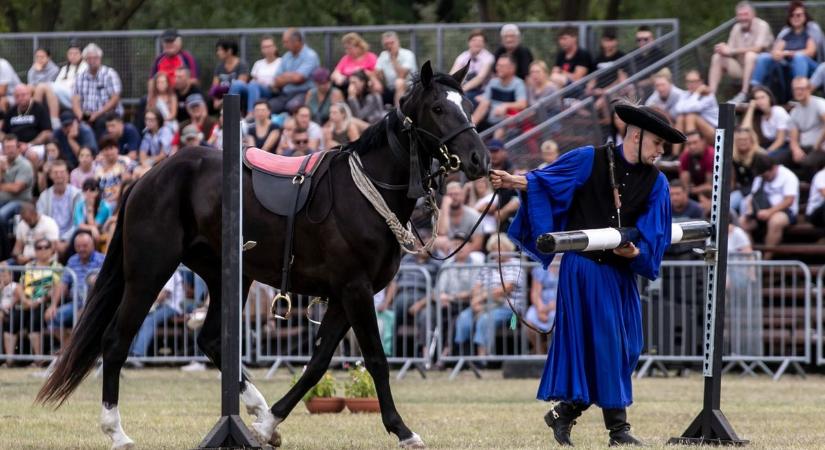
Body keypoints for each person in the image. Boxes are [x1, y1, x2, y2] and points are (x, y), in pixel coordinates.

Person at [491, 101, 684, 446]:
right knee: (608, 345)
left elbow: (654, 232)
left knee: (629, 347)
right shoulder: (588, 158)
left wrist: (636, 252)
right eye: (657, 143)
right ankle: (618, 431)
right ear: (636, 136)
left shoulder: (657, 183)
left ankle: (565, 412)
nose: (660, 152)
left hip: (621, 272)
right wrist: (514, 181)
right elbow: (547, 182)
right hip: (583, 269)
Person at [454, 233, 523, 357]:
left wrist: (481, 297)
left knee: (485, 319)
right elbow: (476, 286)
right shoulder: (488, 265)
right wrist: (475, 301)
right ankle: (461, 355)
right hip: (485, 304)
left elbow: (506, 288)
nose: (497, 252)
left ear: (508, 248)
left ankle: (482, 358)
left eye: (500, 248)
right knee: (463, 317)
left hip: (511, 311)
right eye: (494, 248)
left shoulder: (516, 264)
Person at [750, 1, 821, 101]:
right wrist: (777, 54)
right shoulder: (786, 33)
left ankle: (798, 92)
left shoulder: (810, 30)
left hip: (810, 67)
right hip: (788, 66)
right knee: (763, 57)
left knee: (799, 58)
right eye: (792, 15)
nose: (795, 17)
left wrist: (790, 53)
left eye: (798, 15)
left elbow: (810, 52)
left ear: (805, 16)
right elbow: (776, 51)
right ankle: (754, 90)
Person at [45, 231, 104, 347]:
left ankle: (76, 350)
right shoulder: (72, 260)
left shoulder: (102, 260)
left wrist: (86, 307)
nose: (81, 249)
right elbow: (63, 283)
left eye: (85, 246)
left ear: (93, 245)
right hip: (75, 303)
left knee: (81, 318)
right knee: (52, 318)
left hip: (96, 305)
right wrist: (53, 305)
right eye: (78, 246)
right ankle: (70, 349)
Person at [708, 1, 774, 104]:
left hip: (761, 69)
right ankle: (710, 97)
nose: (743, 18)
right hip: (742, 68)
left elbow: (757, 48)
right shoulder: (736, 28)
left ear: (753, 14)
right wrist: (722, 49)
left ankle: (744, 93)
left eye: (745, 14)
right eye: (740, 15)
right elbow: (729, 50)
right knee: (717, 57)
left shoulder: (762, 25)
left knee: (750, 55)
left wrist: (731, 50)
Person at [11, 238, 62, 365]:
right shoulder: (29, 266)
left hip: (45, 303)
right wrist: (24, 300)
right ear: (35, 250)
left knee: (35, 320)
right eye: (39, 247)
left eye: (46, 247)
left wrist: (39, 300)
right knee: (11, 321)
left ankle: (38, 359)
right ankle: (9, 359)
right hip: (26, 302)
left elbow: (56, 287)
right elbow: (20, 285)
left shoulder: (56, 267)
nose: (42, 250)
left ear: (51, 250)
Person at [740, 154, 799, 259]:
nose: (764, 178)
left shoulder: (788, 176)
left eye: (766, 176)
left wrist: (770, 212)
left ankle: (766, 259)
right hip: (761, 211)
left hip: (785, 212)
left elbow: (789, 200)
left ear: (774, 168)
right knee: (742, 222)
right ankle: (751, 259)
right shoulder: (760, 178)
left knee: (775, 221)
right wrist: (749, 211)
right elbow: (752, 196)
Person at [128, 271, 184, 363]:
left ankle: (137, 355)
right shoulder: (157, 270)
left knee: (149, 321)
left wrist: (145, 305)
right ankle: (127, 354)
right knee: (134, 318)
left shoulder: (171, 271)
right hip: (158, 306)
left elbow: (164, 295)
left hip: (172, 307)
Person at [72, 43, 123, 138]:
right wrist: (80, 116)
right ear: (85, 60)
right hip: (86, 114)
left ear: (100, 58)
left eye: (95, 58)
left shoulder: (110, 74)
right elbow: (75, 100)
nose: (92, 61)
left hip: (106, 113)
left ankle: (97, 150)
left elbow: (115, 98)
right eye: (89, 58)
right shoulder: (80, 77)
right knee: (68, 121)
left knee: (100, 122)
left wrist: (97, 114)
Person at [269, 28, 320, 114]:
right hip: (285, 94)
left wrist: (285, 76)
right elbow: (276, 80)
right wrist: (291, 76)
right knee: (268, 108)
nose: (284, 45)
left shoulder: (310, 56)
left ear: (296, 41)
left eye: (286, 42)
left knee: (292, 106)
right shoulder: (286, 56)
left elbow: (299, 78)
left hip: (304, 93)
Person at [471, 54, 528, 131]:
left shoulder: (518, 84)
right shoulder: (493, 83)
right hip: (490, 122)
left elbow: (522, 104)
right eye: (497, 65)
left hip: (509, 126)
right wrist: (471, 125)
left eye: (502, 66)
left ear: (512, 69)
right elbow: (483, 106)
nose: (498, 68)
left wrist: (505, 105)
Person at [229, 35, 281, 116]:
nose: (267, 49)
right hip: (254, 89)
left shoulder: (281, 62)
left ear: (275, 47)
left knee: (254, 84)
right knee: (237, 84)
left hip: (270, 91)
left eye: (269, 46)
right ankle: (230, 114)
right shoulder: (258, 63)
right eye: (264, 47)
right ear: (261, 49)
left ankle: (251, 114)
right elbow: (253, 79)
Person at [37, 160, 82, 250]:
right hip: (49, 238)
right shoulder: (44, 196)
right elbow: (41, 220)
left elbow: (78, 223)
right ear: (50, 175)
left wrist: (65, 240)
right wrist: (52, 240)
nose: (59, 175)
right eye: (55, 172)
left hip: (71, 238)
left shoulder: (77, 194)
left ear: (67, 174)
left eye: (62, 172)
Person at [788, 76, 825, 181]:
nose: (798, 92)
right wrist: (795, 149)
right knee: (779, 159)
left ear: (809, 89)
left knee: (807, 163)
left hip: (821, 147)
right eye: (796, 89)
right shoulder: (794, 112)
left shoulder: (819, 104)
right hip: (805, 147)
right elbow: (793, 138)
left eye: (801, 88)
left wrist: (818, 143)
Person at [741, 86, 790, 159]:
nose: (760, 101)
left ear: (769, 98)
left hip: (785, 146)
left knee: (764, 159)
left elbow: (780, 140)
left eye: (762, 97)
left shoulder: (778, 111)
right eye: (757, 98)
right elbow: (744, 130)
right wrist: (751, 108)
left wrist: (766, 153)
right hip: (769, 145)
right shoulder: (759, 116)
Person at [450, 30, 496, 105]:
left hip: (482, 91)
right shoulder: (463, 56)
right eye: (474, 40)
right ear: (469, 42)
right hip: (463, 88)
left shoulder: (488, 58)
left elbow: (480, 78)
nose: (477, 43)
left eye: (480, 41)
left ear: (484, 44)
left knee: (463, 99)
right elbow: (453, 73)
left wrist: (461, 90)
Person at [674, 70, 719, 145]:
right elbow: (678, 109)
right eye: (688, 81)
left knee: (691, 116)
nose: (691, 84)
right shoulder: (685, 94)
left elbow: (694, 107)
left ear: (701, 82)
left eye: (694, 81)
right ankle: (675, 155)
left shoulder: (709, 95)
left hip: (715, 133)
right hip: (699, 132)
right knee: (680, 117)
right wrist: (696, 93)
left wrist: (697, 92)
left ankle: (690, 151)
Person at [372, 31, 417, 107]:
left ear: (398, 42)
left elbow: (401, 75)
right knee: (372, 84)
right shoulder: (383, 55)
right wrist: (376, 81)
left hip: (408, 88)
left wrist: (393, 58)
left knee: (399, 82)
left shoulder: (408, 54)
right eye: (386, 44)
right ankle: (377, 114)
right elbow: (375, 72)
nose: (389, 46)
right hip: (390, 88)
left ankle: (398, 111)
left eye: (392, 43)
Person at [0, 134, 35, 230]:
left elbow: (16, 188)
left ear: (18, 148)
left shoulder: (25, 165)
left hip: (20, 202)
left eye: (12, 147)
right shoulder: (1, 164)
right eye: (7, 147)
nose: (10, 150)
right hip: (3, 201)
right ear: (3, 150)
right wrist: (1, 171)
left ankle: (5, 244)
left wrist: (2, 186)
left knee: (1, 215)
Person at [731, 127, 766, 215]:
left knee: (744, 204)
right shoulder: (734, 157)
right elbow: (733, 179)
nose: (742, 142)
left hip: (757, 191)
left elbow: (762, 180)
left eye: (745, 139)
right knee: (729, 203)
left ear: (752, 140)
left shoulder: (760, 156)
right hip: (741, 189)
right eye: (739, 140)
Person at [526, 263, 558, 354]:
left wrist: (550, 308)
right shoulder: (540, 267)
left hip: (560, 305)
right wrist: (540, 309)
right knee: (529, 319)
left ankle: (555, 355)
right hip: (542, 305)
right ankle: (540, 354)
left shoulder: (567, 266)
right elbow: (535, 293)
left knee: (557, 319)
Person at [209, 39, 249, 111]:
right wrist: (215, 100)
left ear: (229, 51)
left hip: (238, 98)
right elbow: (214, 86)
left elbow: (241, 84)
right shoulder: (219, 67)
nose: (218, 53)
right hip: (221, 98)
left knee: (237, 85)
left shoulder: (241, 65)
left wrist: (223, 101)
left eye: (220, 50)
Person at [74, 178, 112, 242]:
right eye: (85, 190)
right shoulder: (79, 204)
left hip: (102, 233)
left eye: (92, 189)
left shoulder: (105, 206)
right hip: (84, 232)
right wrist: (92, 228)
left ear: (97, 191)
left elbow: (96, 226)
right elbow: (80, 225)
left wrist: (89, 209)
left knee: (90, 235)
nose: (88, 192)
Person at [679, 131, 715, 198]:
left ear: (703, 142)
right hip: (695, 191)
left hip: (712, 193)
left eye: (695, 142)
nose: (692, 146)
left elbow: (710, 186)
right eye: (689, 144)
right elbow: (685, 184)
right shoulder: (685, 156)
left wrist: (693, 190)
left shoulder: (711, 155)